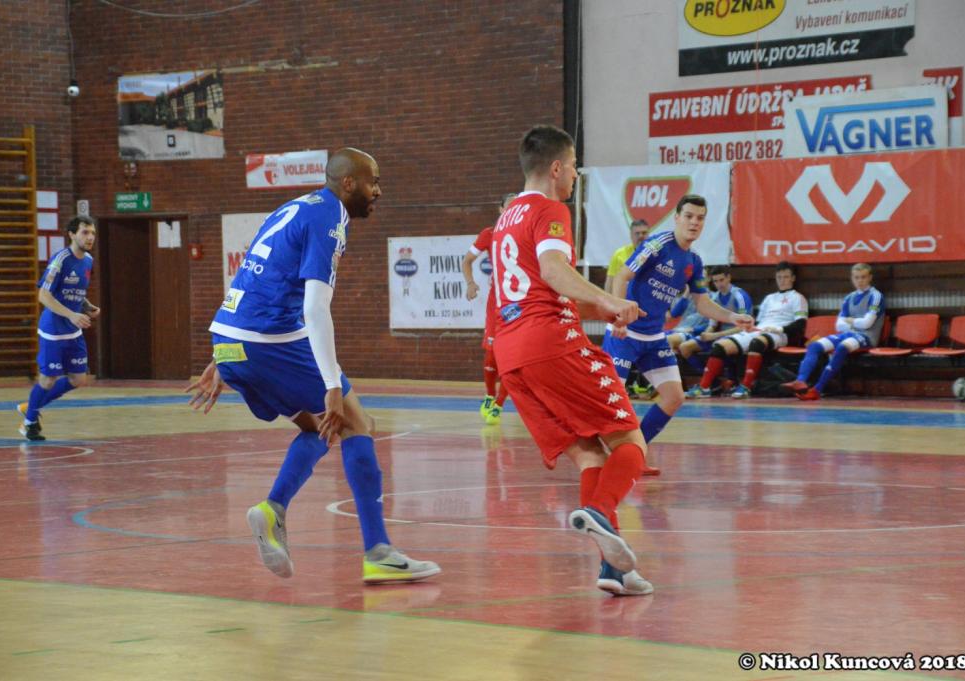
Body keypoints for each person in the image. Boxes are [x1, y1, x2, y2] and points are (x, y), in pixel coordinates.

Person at [185, 148, 440, 585]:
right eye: (373, 181)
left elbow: (254, 278)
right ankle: (378, 551)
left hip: (230, 338)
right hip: (268, 340)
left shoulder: (294, 207)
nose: (378, 191)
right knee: (357, 422)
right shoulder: (329, 216)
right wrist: (331, 385)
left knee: (319, 428)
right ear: (348, 183)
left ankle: (272, 510)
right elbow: (315, 308)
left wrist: (224, 354)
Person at [492, 124, 653, 597]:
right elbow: (552, 271)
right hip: (551, 344)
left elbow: (533, 291)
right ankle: (600, 511)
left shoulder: (505, 220)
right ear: (557, 167)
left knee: (588, 454)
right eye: (575, 166)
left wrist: (596, 308)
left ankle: (612, 569)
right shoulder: (550, 209)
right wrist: (608, 299)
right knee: (631, 441)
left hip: (511, 355)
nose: (577, 175)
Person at [606, 195, 753, 459]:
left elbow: (703, 303)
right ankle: (598, 451)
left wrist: (733, 318)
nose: (694, 222)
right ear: (677, 218)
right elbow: (622, 276)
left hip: (654, 337)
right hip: (626, 333)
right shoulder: (657, 244)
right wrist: (619, 315)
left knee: (674, 397)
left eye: (700, 218)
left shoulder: (694, 261)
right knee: (611, 400)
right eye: (689, 216)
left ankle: (633, 452)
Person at [17, 216, 100, 441]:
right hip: (53, 330)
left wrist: (86, 306)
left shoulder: (88, 260)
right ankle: (30, 423)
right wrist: (72, 314)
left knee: (79, 379)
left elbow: (74, 293)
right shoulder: (61, 259)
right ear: (72, 234)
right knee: (48, 380)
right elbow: (44, 295)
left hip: (73, 330)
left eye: (92, 233)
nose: (90, 237)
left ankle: (30, 406)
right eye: (85, 232)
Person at [686, 261, 807, 399]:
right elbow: (758, 321)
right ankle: (704, 387)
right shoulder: (769, 298)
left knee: (757, 342)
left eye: (786, 277)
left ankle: (746, 387)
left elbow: (801, 324)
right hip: (760, 330)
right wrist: (751, 327)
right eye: (779, 277)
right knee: (720, 346)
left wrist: (780, 328)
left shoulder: (798, 297)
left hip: (780, 333)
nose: (782, 280)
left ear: (793, 278)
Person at [782, 263, 884, 401]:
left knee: (842, 347)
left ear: (870, 277)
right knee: (815, 346)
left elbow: (868, 324)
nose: (860, 281)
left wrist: (850, 321)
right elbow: (839, 325)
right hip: (849, 334)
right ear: (852, 278)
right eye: (856, 277)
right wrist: (855, 322)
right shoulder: (849, 298)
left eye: (863, 277)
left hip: (866, 337)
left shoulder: (876, 296)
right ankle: (800, 381)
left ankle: (817, 389)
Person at [462, 192, 517, 425]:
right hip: (497, 302)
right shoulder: (490, 233)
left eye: (517, 207)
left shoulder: (527, 231)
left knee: (514, 356)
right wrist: (471, 283)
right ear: (500, 209)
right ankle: (488, 396)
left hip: (519, 302)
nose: (512, 210)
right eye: (509, 206)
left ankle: (500, 404)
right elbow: (467, 260)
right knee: (492, 353)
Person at [670, 265, 753, 371]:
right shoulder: (714, 298)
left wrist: (714, 335)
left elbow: (744, 327)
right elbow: (712, 325)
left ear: (728, 278)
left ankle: (724, 376)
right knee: (685, 347)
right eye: (716, 281)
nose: (719, 284)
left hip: (738, 335)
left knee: (719, 347)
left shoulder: (740, 296)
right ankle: (708, 377)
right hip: (719, 334)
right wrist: (707, 334)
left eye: (721, 280)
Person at [606, 219, 652, 398]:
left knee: (643, 354)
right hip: (621, 314)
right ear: (631, 235)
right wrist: (609, 310)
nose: (641, 236)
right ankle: (613, 391)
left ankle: (642, 386)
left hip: (645, 315)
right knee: (616, 356)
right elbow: (610, 284)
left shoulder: (655, 256)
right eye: (637, 233)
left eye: (644, 233)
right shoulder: (620, 254)